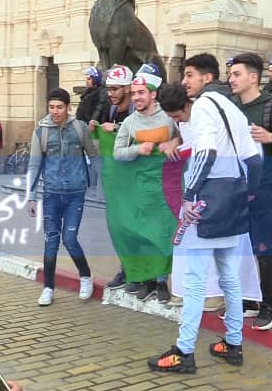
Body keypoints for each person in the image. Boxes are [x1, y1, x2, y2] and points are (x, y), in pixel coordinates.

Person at [148, 74, 263, 373]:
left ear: (182, 108)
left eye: (177, 117)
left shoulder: (200, 110)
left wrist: (189, 195)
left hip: (205, 204)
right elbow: (254, 159)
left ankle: (184, 352)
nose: (179, 122)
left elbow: (207, 152)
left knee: (195, 280)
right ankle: (233, 344)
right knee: (229, 277)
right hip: (233, 199)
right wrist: (248, 193)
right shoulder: (228, 107)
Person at [227, 53, 272, 331]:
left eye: (237, 74)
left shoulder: (270, 106)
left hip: (265, 187)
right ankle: (248, 299)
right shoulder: (232, 106)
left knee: (263, 245)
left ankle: (268, 305)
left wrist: (271, 137)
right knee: (239, 245)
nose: (231, 79)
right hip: (236, 187)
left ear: (253, 77)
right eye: (231, 74)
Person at [111, 71, 179, 303]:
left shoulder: (168, 117)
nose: (136, 97)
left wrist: (174, 141)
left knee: (163, 234)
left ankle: (161, 282)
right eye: (133, 93)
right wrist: (137, 150)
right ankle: (148, 279)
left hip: (167, 186)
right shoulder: (130, 122)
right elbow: (117, 152)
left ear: (153, 94)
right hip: (141, 187)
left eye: (141, 93)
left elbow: (186, 135)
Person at [27, 88, 98, 306]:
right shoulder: (41, 132)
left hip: (75, 194)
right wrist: (31, 196)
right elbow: (34, 164)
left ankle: (85, 276)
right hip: (51, 194)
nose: (55, 111)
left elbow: (94, 157)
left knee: (69, 239)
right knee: (51, 241)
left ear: (68, 107)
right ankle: (48, 288)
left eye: (59, 107)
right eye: (51, 107)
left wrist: (100, 186)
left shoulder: (79, 128)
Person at [90, 65, 135, 292]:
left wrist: (117, 128)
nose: (111, 94)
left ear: (127, 88)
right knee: (121, 229)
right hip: (117, 181)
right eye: (108, 89)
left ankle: (147, 276)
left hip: (137, 180)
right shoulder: (111, 110)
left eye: (115, 89)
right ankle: (126, 269)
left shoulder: (137, 109)